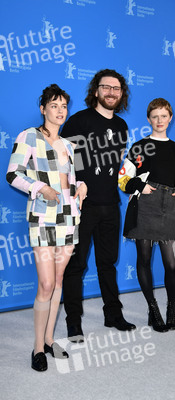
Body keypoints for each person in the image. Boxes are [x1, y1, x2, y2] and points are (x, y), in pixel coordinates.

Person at [6, 84, 87, 372]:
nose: (60, 110)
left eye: (64, 106)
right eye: (54, 105)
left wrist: (80, 186)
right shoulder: (29, 136)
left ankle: (50, 339)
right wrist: (40, 188)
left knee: (59, 282)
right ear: (43, 109)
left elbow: (69, 180)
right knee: (46, 284)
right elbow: (13, 174)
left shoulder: (69, 144)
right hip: (43, 217)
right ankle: (37, 348)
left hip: (68, 216)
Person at [61, 69, 136, 341]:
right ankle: (73, 323)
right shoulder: (78, 122)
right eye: (106, 87)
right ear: (96, 91)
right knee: (76, 266)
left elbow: (115, 167)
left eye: (116, 89)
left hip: (111, 205)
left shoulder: (121, 127)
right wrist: (78, 184)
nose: (111, 92)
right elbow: (65, 162)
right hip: (82, 206)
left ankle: (113, 315)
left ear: (121, 94)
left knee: (108, 263)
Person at [118, 98, 175, 332]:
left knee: (171, 264)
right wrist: (139, 186)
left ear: (170, 118)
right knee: (144, 259)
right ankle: (153, 309)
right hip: (144, 206)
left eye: (164, 116)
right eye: (155, 116)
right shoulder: (139, 146)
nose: (160, 120)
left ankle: (171, 307)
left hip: (169, 207)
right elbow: (122, 178)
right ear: (149, 119)